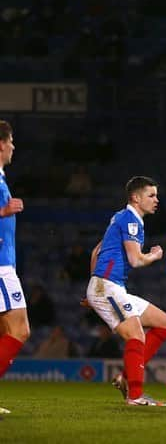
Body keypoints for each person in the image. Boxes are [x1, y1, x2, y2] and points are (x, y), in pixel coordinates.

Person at [87, 176, 166, 406]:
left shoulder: (121, 217)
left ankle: (126, 377)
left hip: (108, 285)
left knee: (164, 323)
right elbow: (135, 260)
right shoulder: (131, 220)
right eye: (151, 195)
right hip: (108, 285)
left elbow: (96, 251)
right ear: (136, 198)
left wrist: (94, 286)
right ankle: (135, 395)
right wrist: (154, 255)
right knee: (136, 335)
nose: (156, 200)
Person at [0, 121, 28, 415]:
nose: (13, 147)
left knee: (5, 332)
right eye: (11, 141)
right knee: (20, 330)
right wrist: (3, 211)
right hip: (1, 267)